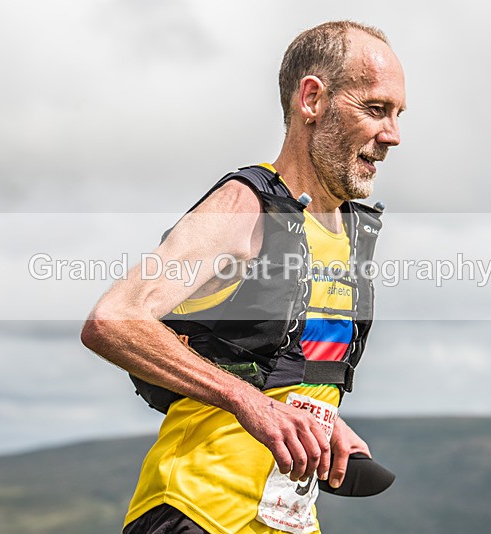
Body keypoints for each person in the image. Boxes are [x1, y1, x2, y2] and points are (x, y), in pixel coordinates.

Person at [81, 20, 406, 534]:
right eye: (375, 109)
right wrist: (247, 401)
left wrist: (321, 421)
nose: (392, 134)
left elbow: (273, 362)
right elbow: (114, 319)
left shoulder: (345, 232)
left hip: (286, 522)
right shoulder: (244, 206)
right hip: (197, 511)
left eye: (396, 114)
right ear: (313, 99)